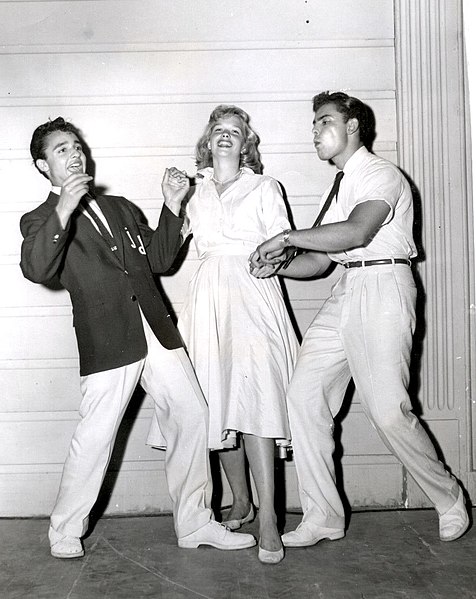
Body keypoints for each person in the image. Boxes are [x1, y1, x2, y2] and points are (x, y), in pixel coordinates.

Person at [20, 117, 256, 559]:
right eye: (60, 150)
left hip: (157, 331)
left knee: (192, 415)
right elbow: (37, 269)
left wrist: (171, 205)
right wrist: (64, 210)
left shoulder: (121, 207)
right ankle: (65, 530)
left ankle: (195, 523)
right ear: (42, 165)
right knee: (95, 435)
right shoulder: (39, 219)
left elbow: (162, 261)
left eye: (76, 146)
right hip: (110, 339)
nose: (73, 154)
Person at [250, 92, 470, 547]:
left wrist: (285, 236)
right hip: (348, 289)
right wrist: (279, 265)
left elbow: (356, 232)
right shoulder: (341, 184)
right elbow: (319, 262)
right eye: (313, 123)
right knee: (304, 395)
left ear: (353, 126)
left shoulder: (380, 174)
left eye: (324, 121)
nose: (315, 131)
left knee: (389, 412)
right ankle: (323, 516)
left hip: (385, 289)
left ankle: (449, 499)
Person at [176, 105, 299, 563]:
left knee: (256, 399)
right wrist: (170, 203)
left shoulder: (264, 186)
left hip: (252, 293)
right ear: (207, 141)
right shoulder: (194, 191)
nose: (225, 136)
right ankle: (241, 500)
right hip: (207, 299)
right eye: (218, 130)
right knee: (217, 399)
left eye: (235, 131)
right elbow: (167, 248)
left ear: (246, 142)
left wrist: (271, 260)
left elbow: (284, 243)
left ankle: (269, 518)